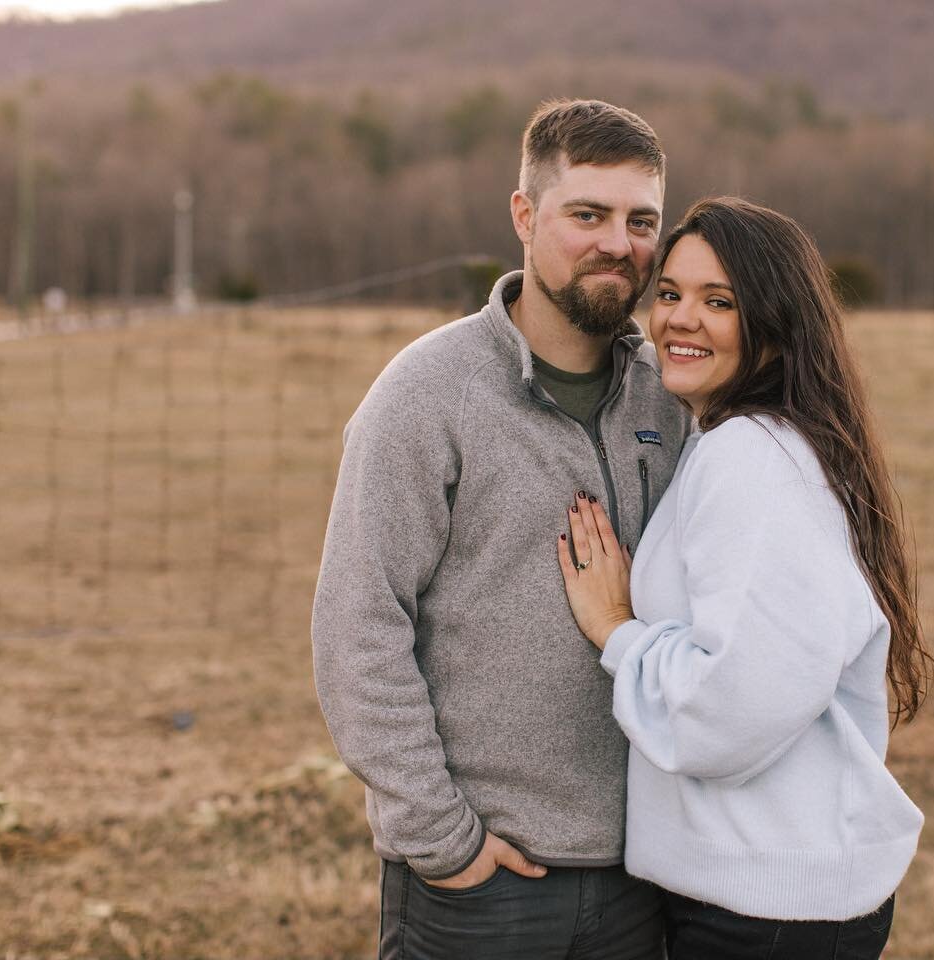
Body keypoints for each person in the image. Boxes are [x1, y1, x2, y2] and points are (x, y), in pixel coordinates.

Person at [311, 99, 690, 960]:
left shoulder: (671, 401)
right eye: (586, 214)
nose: (618, 244)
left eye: (641, 221)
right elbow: (358, 627)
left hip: (647, 875)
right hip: (484, 886)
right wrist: (444, 843)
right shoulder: (426, 394)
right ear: (524, 216)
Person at [558, 197, 932, 959]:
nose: (680, 320)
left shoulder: (753, 459)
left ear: (775, 322)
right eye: (670, 294)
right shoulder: (752, 441)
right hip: (767, 897)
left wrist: (617, 632)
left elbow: (733, 708)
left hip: (763, 914)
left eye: (719, 302)